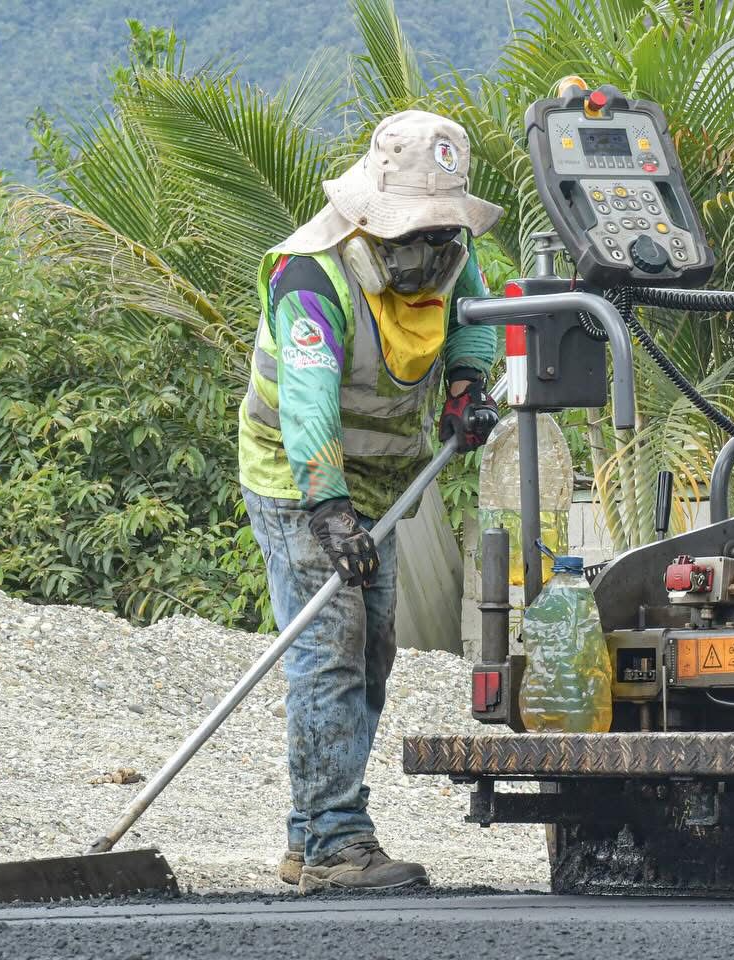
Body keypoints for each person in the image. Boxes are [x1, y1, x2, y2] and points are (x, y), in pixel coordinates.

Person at [238, 110, 503, 892]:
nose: (429, 255)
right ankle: (333, 844)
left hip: (381, 487)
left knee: (372, 653)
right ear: (369, 221)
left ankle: (307, 832)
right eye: (412, 237)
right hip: (299, 480)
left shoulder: (451, 258)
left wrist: (468, 384)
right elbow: (308, 406)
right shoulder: (312, 277)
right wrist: (328, 508)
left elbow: (474, 321)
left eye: (439, 235)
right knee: (328, 652)